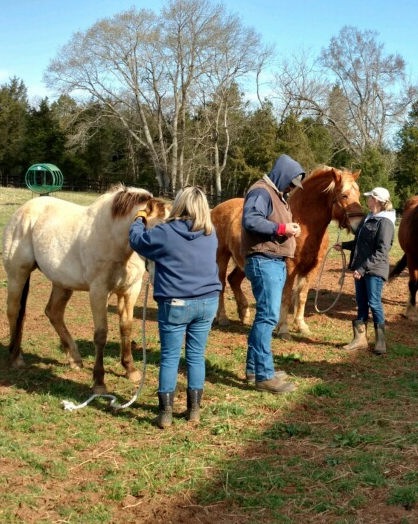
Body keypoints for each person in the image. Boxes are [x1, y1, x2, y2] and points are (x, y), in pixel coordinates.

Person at [128, 186, 222, 429]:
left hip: (176, 303)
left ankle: (166, 414)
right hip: (208, 301)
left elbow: (137, 241)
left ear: (179, 204)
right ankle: (194, 411)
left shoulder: (166, 232)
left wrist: (140, 218)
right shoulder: (210, 233)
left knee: (169, 358)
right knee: (195, 356)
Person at [241, 154, 305, 394]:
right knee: (268, 317)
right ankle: (264, 376)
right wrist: (282, 228)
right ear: (281, 175)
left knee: (264, 317)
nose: (290, 188)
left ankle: (253, 369)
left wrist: (288, 230)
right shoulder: (262, 192)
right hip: (264, 261)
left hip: (273, 260)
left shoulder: (276, 195)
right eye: (290, 183)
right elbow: (250, 220)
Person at [335, 187, 396, 355]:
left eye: (369, 198)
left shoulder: (385, 222)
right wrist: (344, 246)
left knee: (374, 304)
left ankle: (380, 342)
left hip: (374, 270)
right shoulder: (368, 218)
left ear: (376, 201)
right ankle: (360, 340)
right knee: (361, 303)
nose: (367, 200)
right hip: (361, 269)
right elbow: (359, 243)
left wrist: (362, 269)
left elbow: (382, 250)